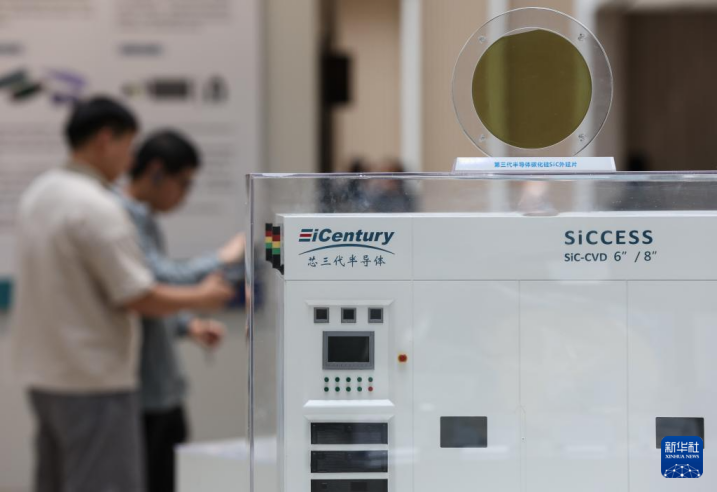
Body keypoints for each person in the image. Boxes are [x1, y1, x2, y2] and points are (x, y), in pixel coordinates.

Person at [9, 97, 234, 492]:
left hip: (46, 376)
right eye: (129, 146)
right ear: (105, 139)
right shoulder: (95, 206)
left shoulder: (39, 194)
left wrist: (187, 319)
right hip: (93, 379)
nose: (131, 160)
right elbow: (137, 294)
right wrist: (199, 297)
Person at [116, 129, 245, 492]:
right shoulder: (120, 216)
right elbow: (151, 282)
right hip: (142, 391)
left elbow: (156, 297)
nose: (185, 195)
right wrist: (221, 258)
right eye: (184, 183)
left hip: (159, 386)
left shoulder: (143, 218)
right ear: (156, 171)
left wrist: (187, 325)